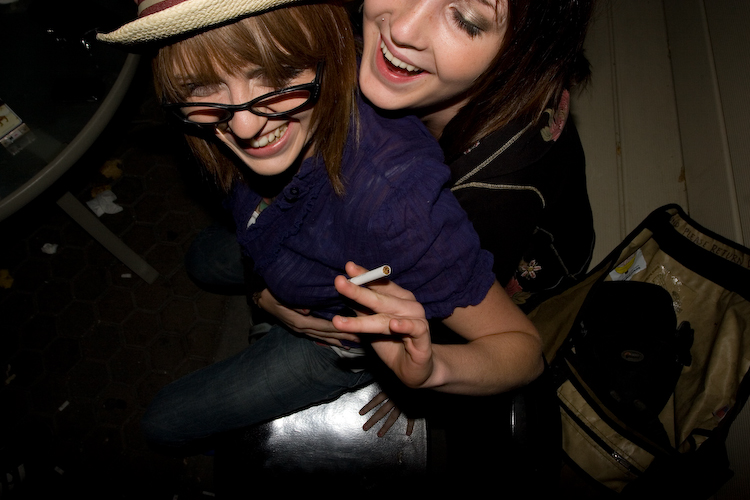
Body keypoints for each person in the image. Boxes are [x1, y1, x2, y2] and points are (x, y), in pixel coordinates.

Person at [97, 0, 542, 453]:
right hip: (275, 250)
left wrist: (432, 372)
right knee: (202, 259)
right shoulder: (225, 114)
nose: (245, 127)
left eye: (276, 73)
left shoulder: (395, 206)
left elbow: (523, 350)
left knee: (163, 422)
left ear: (325, 45)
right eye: (202, 86)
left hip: (335, 339)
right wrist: (263, 293)